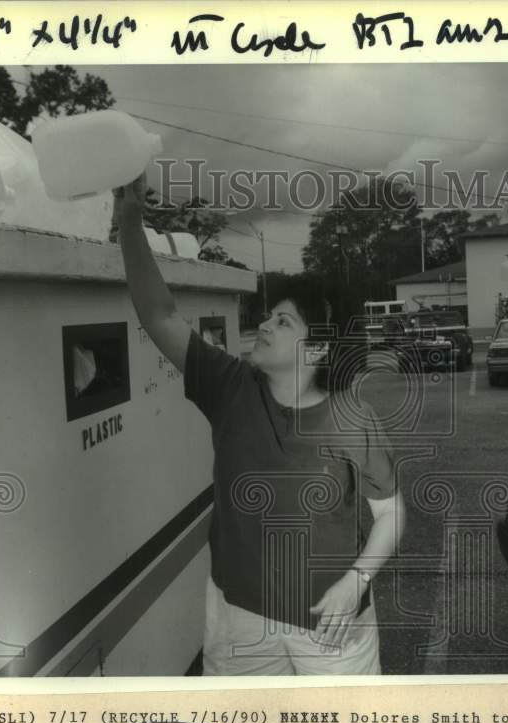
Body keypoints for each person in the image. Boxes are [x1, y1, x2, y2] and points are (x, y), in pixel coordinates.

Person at [115, 175, 405, 675]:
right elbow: (158, 314)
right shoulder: (229, 386)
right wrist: (129, 220)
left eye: (284, 322)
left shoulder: (353, 419)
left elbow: (391, 514)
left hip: (330, 623)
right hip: (238, 618)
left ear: (317, 351)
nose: (265, 325)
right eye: (269, 316)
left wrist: (355, 581)